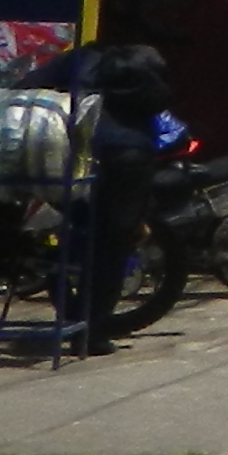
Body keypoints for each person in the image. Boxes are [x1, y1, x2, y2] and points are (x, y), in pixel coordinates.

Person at [55, 35, 174, 355]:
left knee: (82, 229)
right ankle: (90, 333)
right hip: (130, 157)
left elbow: (29, 85)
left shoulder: (81, 60)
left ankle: (75, 314)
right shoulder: (145, 59)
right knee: (113, 246)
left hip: (75, 154)